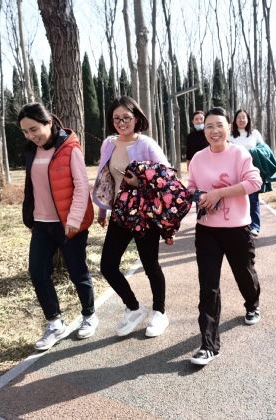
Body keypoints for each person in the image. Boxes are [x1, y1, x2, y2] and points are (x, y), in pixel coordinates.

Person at [19, 103, 98, 351]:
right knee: (38, 273)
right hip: (41, 225)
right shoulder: (31, 151)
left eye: (34, 129)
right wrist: (30, 218)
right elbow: (31, 188)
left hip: (68, 224)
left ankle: (89, 315)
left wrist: (73, 220)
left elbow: (82, 186)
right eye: (25, 131)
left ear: (49, 123)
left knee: (77, 272)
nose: (31, 136)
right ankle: (55, 324)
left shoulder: (70, 149)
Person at [187, 107, 263, 365]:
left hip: (237, 229)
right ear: (203, 130)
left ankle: (252, 303)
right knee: (208, 285)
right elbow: (191, 188)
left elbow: (254, 183)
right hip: (207, 229)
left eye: (219, 125)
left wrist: (219, 193)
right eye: (209, 126)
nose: (214, 130)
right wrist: (200, 197)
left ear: (229, 128)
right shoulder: (197, 159)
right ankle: (208, 345)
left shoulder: (239, 154)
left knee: (244, 273)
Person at [92, 96, 171, 338]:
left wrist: (140, 182)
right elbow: (106, 178)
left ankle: (160, 312)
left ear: (136, 118)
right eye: (116, 118)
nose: (122, 122)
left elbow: (166, 176)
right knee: (108, 266)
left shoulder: (146, 144)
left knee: (150, 265)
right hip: (120, 212)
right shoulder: (108, 144)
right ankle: (134, 308)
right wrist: (103, 209)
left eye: (126, 117)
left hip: (144, 213)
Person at [227, 109, 264, 237]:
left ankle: (255, 226)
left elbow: (263, 148)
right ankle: (239, 224)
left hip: (251, 170)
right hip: (234, 171)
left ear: (248, 120)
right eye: (239, 117)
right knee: (236, 198)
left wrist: (254, 153)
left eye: (244, 117)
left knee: (253, 199)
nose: (241, 120)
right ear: (235, 120)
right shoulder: (230, 135)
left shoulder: (255, 133)